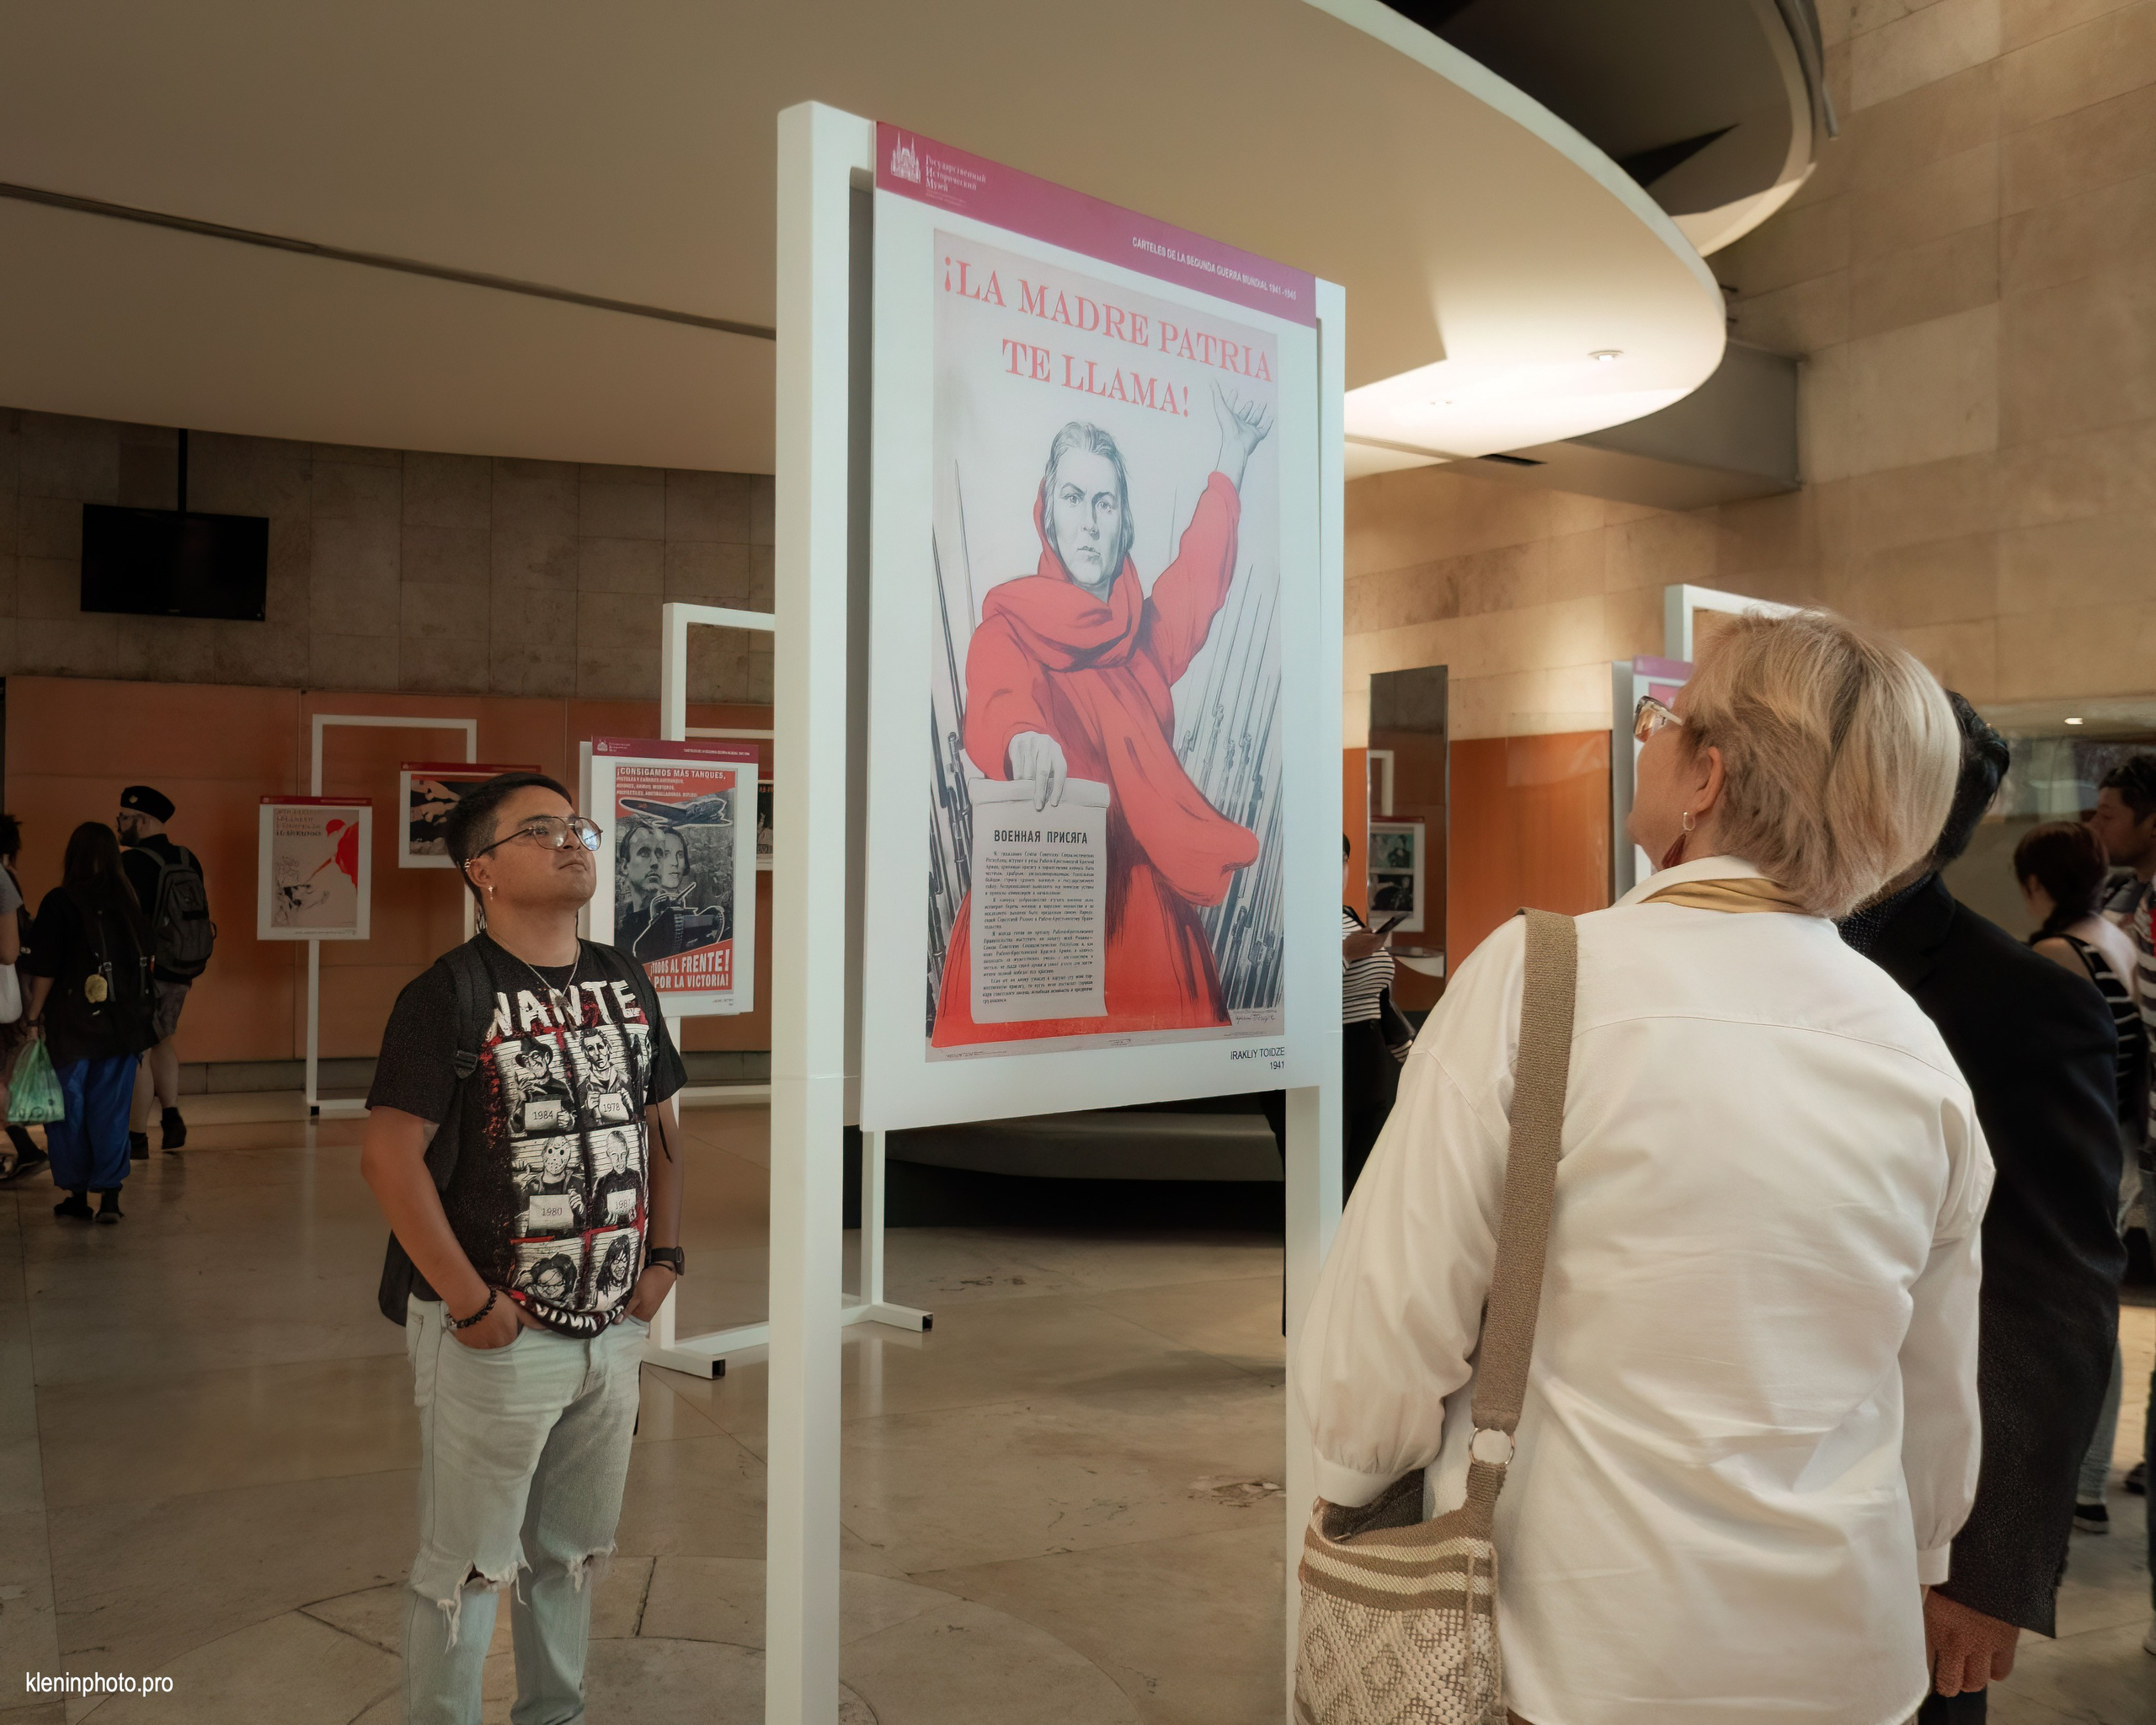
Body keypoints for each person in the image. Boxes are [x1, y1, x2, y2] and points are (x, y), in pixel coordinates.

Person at [1298, 610, 1989, 1725]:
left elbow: (1390, 1319)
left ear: (1707, 777)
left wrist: (1348, 1489)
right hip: (1843, 1665)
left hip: (1577, 1645)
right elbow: (1933, 1413)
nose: (1651, 741)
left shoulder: (1541, 978)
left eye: (1664, 725)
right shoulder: (1918, 1054)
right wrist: (1917, 1557)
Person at [358, 772, 688, 1725]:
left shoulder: (624, 977)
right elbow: (388, 1156)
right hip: (493, 1334)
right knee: (465, 1563)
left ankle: (556, 1710)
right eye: (539, 829)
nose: (572, 839)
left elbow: (662, 1122)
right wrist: (470, 1304)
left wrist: (664, 1259)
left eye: (575, 823)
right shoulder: (449, 994)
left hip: (610, 1324)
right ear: (483, 871)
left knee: (574, 1553)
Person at [1840, 698, 2125, 1717]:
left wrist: (1982, 1572)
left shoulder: (2016, 1002)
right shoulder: (1732, 961)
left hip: (1901, 1529)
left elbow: (2045, 1296)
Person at [931, 387, 1273, 1045]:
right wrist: (1024, 742)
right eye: (1073, 498)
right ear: (1048, 517)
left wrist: (1233, 454)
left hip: (1148, 927)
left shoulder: (1140, 639)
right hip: (1043, 915)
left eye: (1105, 502)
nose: (1088, 521)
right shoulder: (1008, 630)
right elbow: (1000, 701)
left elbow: (1197, 579)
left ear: (1123, 524)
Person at [2013, 820, 2142, 1537]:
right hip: (2120, 1146)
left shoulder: (2060, 953)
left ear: (2037, 885)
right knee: (2097, 1311)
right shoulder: (2118, 937)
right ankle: (2086, 1481)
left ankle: (2083, 1484)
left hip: (2082, 1157)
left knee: (2080, 1319)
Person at [22, 823, 157, 1222]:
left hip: (73, 1028)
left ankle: (78, 1197)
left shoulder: (61, 901)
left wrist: (32, 1019)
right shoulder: (130, 902)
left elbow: (44, 969)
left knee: (68, 1111)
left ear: (73, 856)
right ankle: (111, 1199)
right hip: (123, 1028)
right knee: (111, 1111)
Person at [115, 784, 205, 1156]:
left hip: (144, 970)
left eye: (123, 817)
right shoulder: (188, 857)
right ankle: (171, 1119)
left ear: (143, 820)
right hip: (182, 968)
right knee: (162, 1041)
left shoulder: (132, 863)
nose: (118, 824)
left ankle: (136, 1138)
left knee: (138, 1049)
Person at [0, 814, 44, 1183]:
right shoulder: (5, 880)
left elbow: (11, 951)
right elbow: (15, 951)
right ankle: (25, 1148)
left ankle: (26, 1148)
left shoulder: (4, 881)